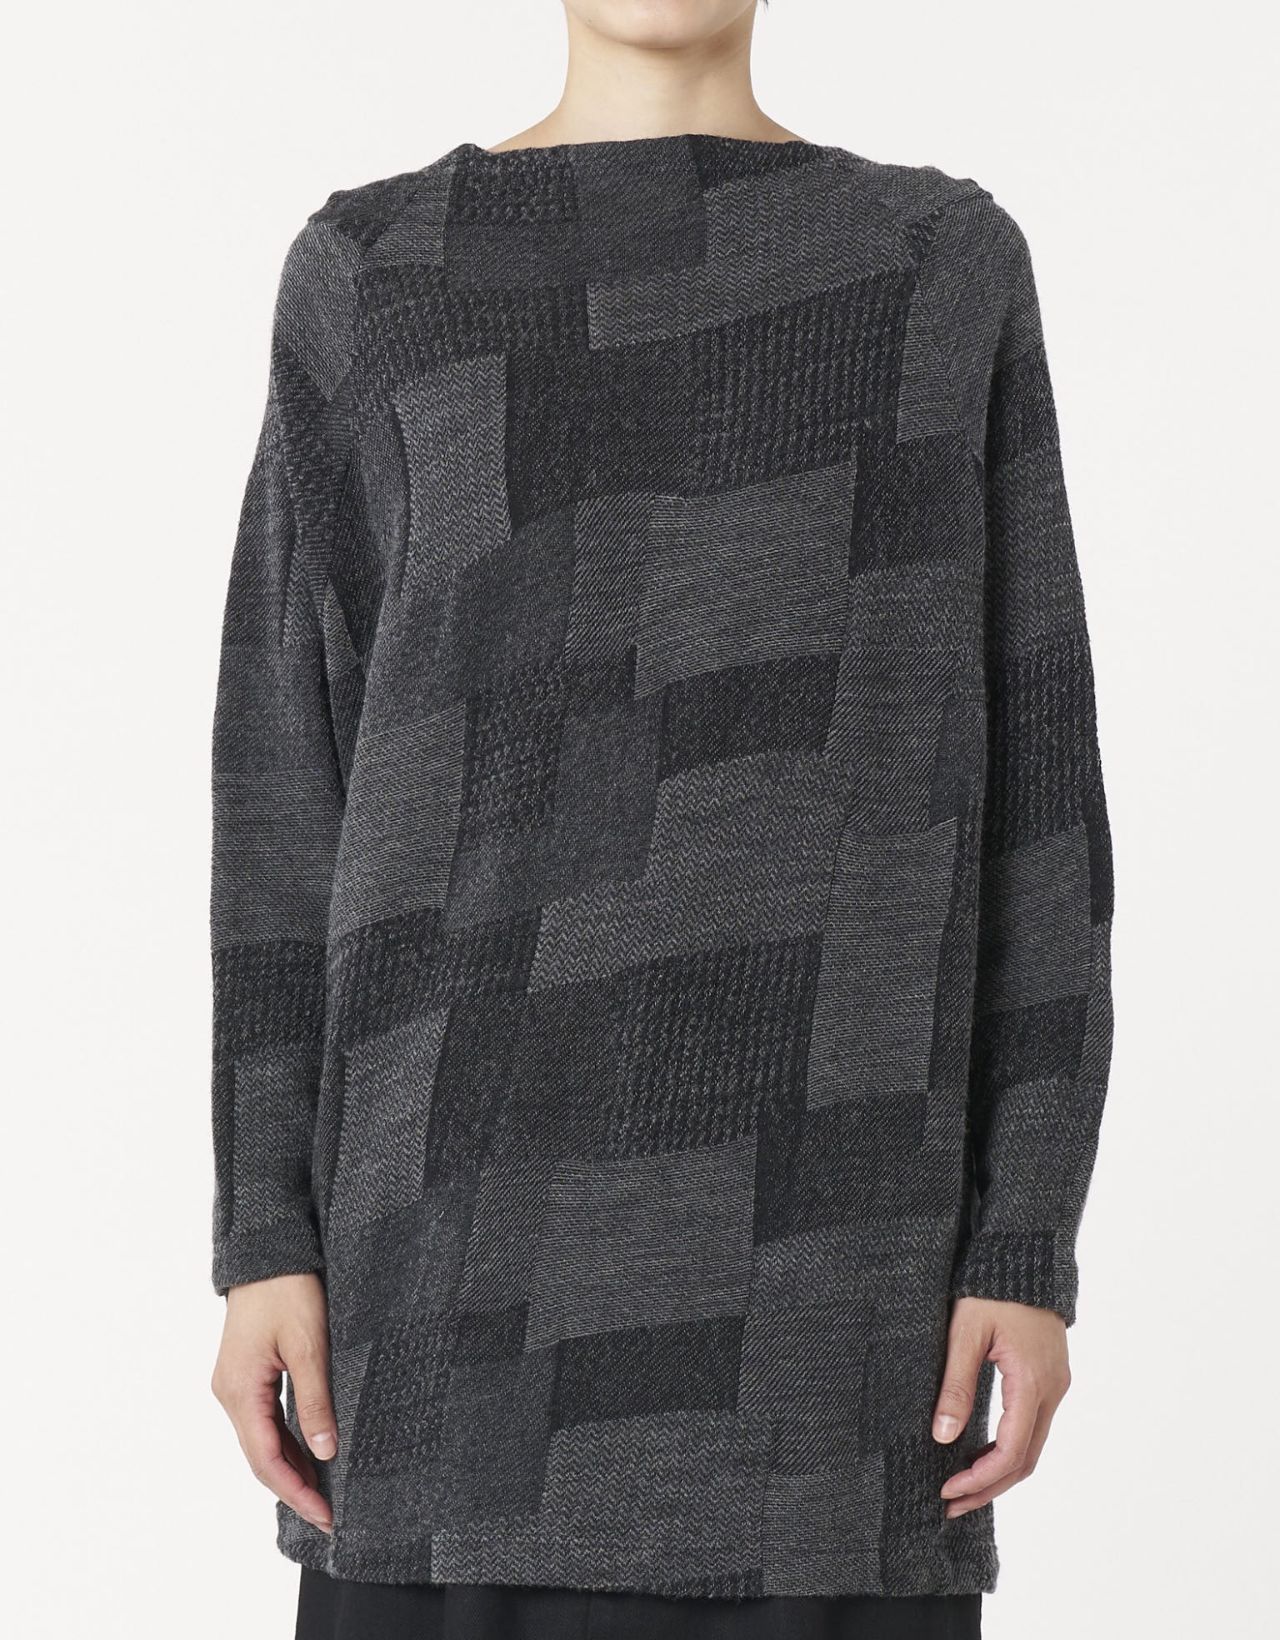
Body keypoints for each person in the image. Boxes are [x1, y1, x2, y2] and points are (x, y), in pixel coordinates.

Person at [208, 2, 1115, 1636]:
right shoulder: (377, 275)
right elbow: (286, 779)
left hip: (835, 1327)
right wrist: (264, 1228)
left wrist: (1026, 1237)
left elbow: (1041, 799)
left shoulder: (932, 267)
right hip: (443, 1312)